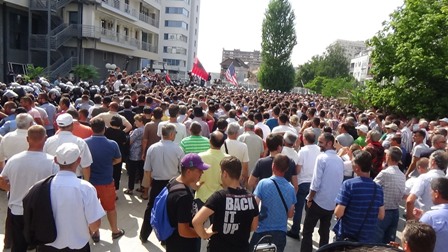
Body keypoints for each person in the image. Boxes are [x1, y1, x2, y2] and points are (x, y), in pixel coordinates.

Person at [0, 125, 58, 252]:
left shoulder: (14, 160)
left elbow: (1, 179)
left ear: (27, 139)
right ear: (45, 138)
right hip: (41, 212)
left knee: (18, 246)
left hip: (17, 210)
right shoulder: (52, 162)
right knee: (41, 246)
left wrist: (11, 188)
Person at [39, 143, 105, 251]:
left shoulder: (42, 186)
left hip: (48, 245)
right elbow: (95, 224)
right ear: (79, 161)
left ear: (55, 160)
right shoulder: (86, 188)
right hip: (78, 245)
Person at [193, 156, 259, 252]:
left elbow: (196, 221)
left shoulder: (219, 197)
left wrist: (205, 234)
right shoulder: (250, 197)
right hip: (242, 248)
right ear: (239, 174)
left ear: (224, 174)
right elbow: (254, 226)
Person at [139, 123, 184, 243]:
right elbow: (182, 169)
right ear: (171, 134)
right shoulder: (178, 149)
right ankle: (165, 237)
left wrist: (147, 186)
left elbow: (147, 170)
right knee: (170, 211)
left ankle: (144, 235)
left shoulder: (152, 148)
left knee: (151, 209)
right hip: (172, 184)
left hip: (157, 183)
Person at [301, 132, 344, 252]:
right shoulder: (339, 160)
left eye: (321, 142)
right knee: (324, 232)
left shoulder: (322, 158)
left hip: (317, 201)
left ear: (329, 143)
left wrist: (310, 198)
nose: (319, 145)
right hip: (330, 204)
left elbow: (316, 182)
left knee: (308, 231)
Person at [85, 118, 125, 242]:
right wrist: (109, 163)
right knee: (110, 208)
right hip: (107, 182)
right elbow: (118, 160)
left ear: (92, 128)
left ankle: (95, 232)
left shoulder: (84, 143)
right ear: (104, 128)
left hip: (90, 183)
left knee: (91, 209)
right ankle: (115, 231)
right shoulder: (112, 144)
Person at [333, 150, 385, 243]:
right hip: (367, 238)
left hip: (347, 236)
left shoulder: (348, 184)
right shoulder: (378, 188)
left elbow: (338, 213)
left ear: (357, 168)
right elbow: (381, 215)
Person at [249, 154, 296, 252]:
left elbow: (254, 207)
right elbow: (291, 214)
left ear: (273, 166)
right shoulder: (291, 188)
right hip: (280, 233)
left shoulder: (263, 183)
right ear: (287, 169)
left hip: (262, 231)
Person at [165, 153, 209, 252]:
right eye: (199, 170)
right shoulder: (183, 196)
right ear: (188, 171)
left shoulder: (174, 181)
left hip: (173, 242)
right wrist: (202, 233)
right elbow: (183, 231)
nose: (202, 173)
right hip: (182, 246)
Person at [287, 129, 320, 240]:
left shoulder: (303, 151)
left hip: (302, 182)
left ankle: (295, 230)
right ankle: (307, 231)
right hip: (314, 183)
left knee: (299, 208)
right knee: (309, 209)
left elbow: (298, 169)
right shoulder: (319, 150)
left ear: (304, 139)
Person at [44, 113, 92, 180]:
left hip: (54, 179)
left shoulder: (48, 141)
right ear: (72, 125)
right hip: (75, 178)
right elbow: (86, 166)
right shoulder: (80, 142)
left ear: (58, 126)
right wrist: (86, 182)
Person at [373, 146, 406, 244]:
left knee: (377, 243)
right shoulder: (402, 175)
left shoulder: (385, 173)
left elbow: (373, 187)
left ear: (389, 157)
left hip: (383, 212)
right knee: (389, 243)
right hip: (395, 212)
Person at [406, 150, 448, 219]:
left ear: (433, 162)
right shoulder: (445, 180)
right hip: (440, 221)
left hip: (421, 218)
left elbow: (410, 200)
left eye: (429, 159)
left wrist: (410, 220)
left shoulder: (424, 177)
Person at [195, 131, 229, 208]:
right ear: (223, 143)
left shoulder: (200, 156)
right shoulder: (228, 159)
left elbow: (195, 180)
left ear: (210, 141)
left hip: (202, 197)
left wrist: (197, 186)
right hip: (221, 197)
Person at [416, 177, 448, 252]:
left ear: (436, 193)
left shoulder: (430, 217)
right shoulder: (429, 217)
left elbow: (416, 244)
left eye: (431, 191)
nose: (430, 194)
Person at [104, 115, 128, 191]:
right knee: (117, 174)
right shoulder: (122, 133)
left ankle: (107, 188)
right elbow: (124, 142)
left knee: (107, 172)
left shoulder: (106, 131)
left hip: (107, 154)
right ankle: (115, 190)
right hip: (118, 155)